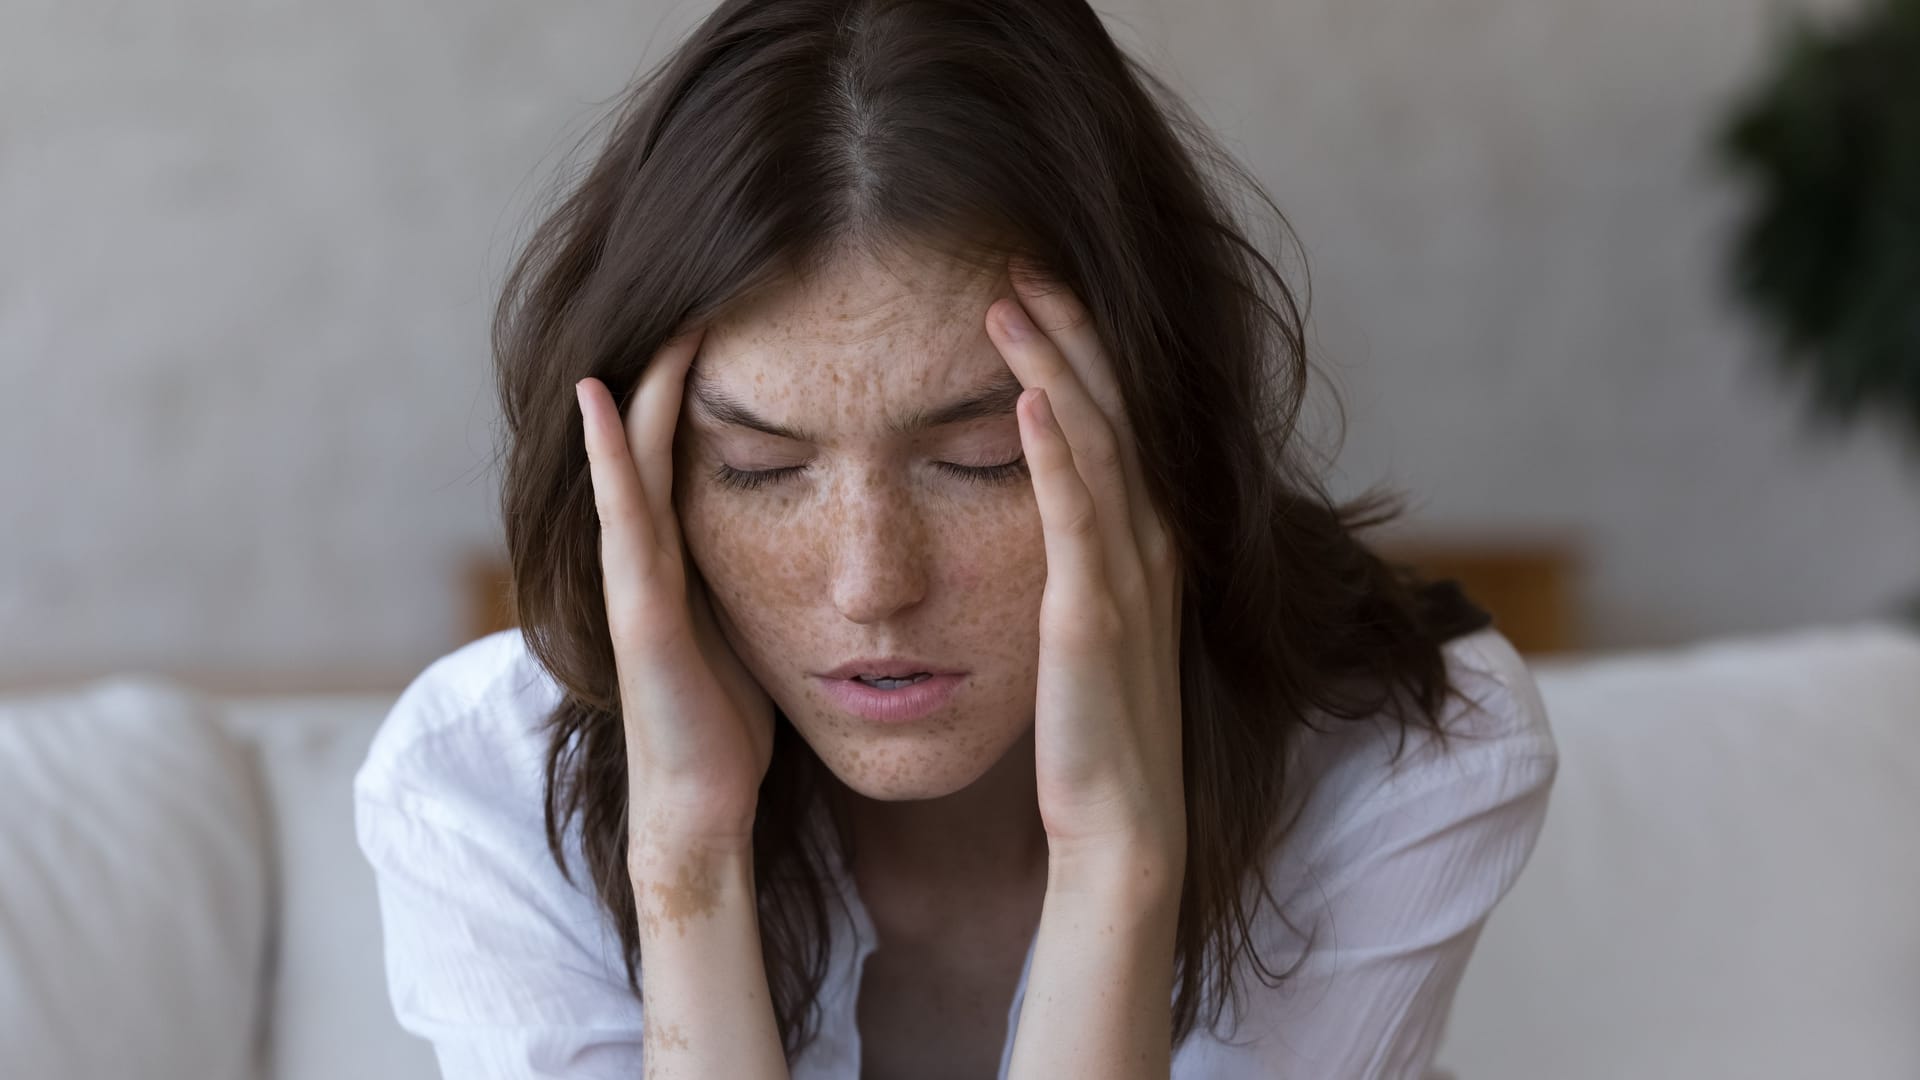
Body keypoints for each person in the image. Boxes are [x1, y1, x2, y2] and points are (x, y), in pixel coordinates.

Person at [354, 1, 1560, 1077]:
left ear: (1156, 434)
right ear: (648, 483)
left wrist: (1116, 865)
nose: (872, 583)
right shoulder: (481, 791)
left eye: (982, 462)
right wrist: (689, 863)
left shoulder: (1402, 759)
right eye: (761, 470)